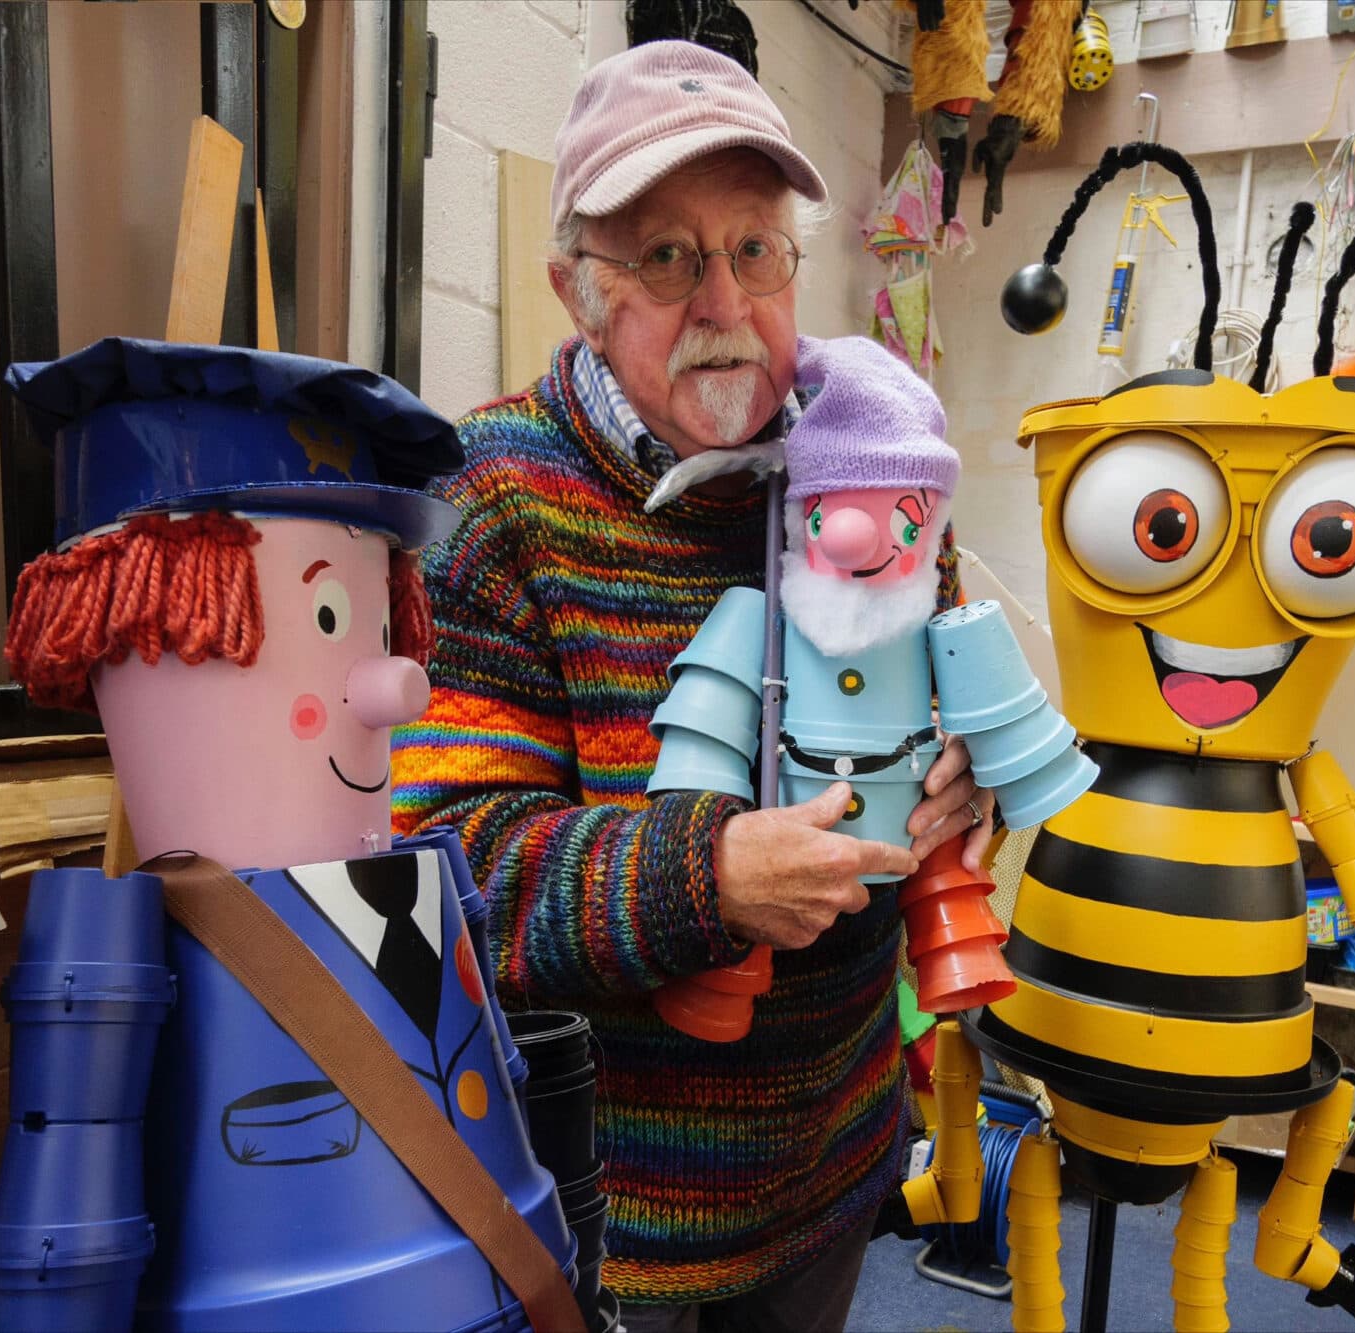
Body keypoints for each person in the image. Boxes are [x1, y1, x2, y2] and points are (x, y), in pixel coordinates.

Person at [392, 39, 996, 1332]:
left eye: (757, 249)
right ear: (579, 289)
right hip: (608, 1221)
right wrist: (705, 881)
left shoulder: (868, 459)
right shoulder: (490, 502)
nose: (723, 298)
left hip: (833, 1166)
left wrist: (964, 775)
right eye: (667, 255)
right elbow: (454, 876)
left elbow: (948, 693)